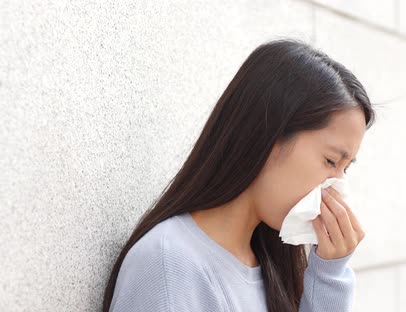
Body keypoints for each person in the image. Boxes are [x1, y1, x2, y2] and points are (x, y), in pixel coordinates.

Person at [102, 37, 376, 312]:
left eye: (346, 167)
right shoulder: (168, 264)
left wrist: (328, 277)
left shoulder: (269, 264)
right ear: (268, 137)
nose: (336, 186)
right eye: (330, 161)